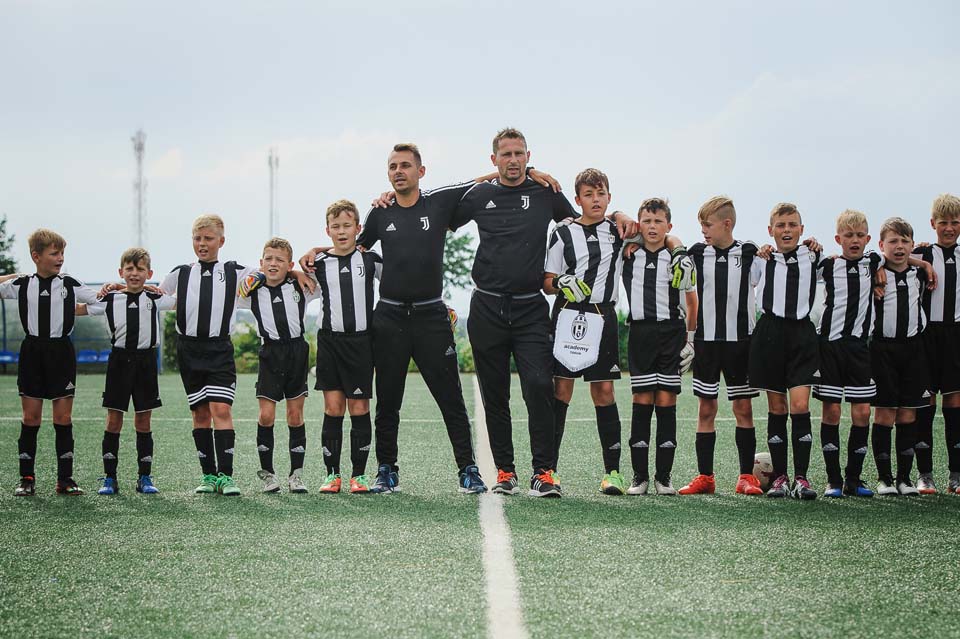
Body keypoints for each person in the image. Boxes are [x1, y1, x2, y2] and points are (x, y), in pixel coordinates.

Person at [301, 145, 512, 493]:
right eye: (393, 167)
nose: (398, 171)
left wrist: (530, 173)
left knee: (451, 399)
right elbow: (350, 247)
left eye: (405, 166)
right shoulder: (380, 212)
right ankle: (387, 469)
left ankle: (468, 469)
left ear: (420, 171)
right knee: (388, 401)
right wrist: (315, 251)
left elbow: (480, 181)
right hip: (389, 319)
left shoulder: (439, 202)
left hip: (431, 316)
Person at [453, 128, 641, 498]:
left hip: (530, 308)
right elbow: (443, 211)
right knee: (495, 394)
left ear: (528, 156)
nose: (513, 160)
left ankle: (544, 472)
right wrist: (490, 177)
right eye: (505, 154)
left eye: (519, 154)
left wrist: (619, 212)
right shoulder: (481, 194)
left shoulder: (545, 193)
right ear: (494, 159)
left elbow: (585, 217)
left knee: (540, 385)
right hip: (487, 306)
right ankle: (506, 471)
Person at [159, 215, 261, 496]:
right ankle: (208, 475)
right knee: (200, 413)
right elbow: (154, 294)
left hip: (219, 349)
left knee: (221, 410)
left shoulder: (233, 270)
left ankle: (226, 476)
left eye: (208, 238)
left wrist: (292, 274)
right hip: (189, 350)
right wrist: (118, 288)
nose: (202, 244)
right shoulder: (181, 273)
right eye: (197, 238)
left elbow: (264, 272)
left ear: (221, 241)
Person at [542, 168, 626, 495]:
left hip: (602, 316)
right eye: (588, 195)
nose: (595, 200)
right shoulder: (563, 233)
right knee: (561, 390)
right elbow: (547, 281)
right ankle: (549, 470)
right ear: (577, 200)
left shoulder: (619, 231)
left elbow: (660, 235)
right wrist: (562, 281)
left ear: (609, 197)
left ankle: (613, 473)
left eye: (601, 194)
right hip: (568, 315)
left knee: (603, 392)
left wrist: (624, 215)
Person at [0, 229, 100, 496]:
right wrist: (14, 275)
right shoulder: (22, 284)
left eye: (62, 253)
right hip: (32, 352)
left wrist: (109, 292)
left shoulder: (70, 284)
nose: (60, 258)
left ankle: (65, 479)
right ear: (36, 256)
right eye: (54, 253)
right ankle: (26, 478)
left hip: (61, 353)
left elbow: (99, 301)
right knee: (30, 417)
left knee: (63, 417)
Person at [679, 197, 764, 496]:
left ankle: (746, 477)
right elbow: (670, 246)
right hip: (707, 343)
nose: (703, 230)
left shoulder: (750, 252)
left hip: (740, 344)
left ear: (727, 224)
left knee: (743, 408)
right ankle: (706, 477)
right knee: (706, 409)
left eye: (707, 224)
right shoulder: (696, 253)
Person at [77, 248, 175, 495]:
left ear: (149, 273)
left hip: (146, 363)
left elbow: (182, 302)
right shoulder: (109, 299)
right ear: (121, 272)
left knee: (143, 420)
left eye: (140, 269)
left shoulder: (154, 298)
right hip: (119, 362)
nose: (134, 273)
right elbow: (79, 309)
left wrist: (163, 288)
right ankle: (110, 478)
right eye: (129, 269)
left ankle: (144, 477)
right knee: (114, 419)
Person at [621, 198, 698, 496]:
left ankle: (663, 477)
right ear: (639, 224)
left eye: (658, 221)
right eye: (647, 221)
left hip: (671, 333)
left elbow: (691, 301)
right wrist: (632, 238)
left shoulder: (678, 257)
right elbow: (615, 222)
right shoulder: (628, 253)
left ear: (669, 225)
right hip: (640, 333)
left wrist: (690, 340)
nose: (652, 227)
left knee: (666, 401)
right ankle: (639, 477)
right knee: (642, 401)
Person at [748, 203, 821, 500]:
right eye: (781, 225)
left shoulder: (813, 256)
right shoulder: (762, 259)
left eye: (792, 225)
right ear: (771, 230)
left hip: (802, 334)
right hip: (770, 334)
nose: (787, 230)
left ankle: (801, 477)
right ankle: (780, 478)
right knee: (777, 408)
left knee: (800, 405)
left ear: (802, 230)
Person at [309, 202, 383, 493]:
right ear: (327, 230)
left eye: (347, 226)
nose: (341, 231)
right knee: (333, 408)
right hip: (330, 342)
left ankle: (359, 475)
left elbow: (400, 280)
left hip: (362, 343)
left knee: (359, 407)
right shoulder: (318, 264)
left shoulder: (370, 260)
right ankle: (332, 475)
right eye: (336, 226)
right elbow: (297, 280)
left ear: (358, 229)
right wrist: (299, 268)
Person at [236, 237, 320, 494]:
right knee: (266, 415)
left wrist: (300, 271)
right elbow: (228, 290)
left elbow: (327, 277)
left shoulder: (300, 285)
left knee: (295, 415)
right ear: (261, 263)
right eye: (269, 259)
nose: (273, 264)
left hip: (296, 351)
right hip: (270, 353)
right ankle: (268, 474)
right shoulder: (252, 290)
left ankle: (296, 475)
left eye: (280, 260)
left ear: (290, 265)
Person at [811, 211, 883, 498]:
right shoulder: (828, 265)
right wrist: (812, 244)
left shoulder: (873, 261)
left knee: (863, 412)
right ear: (838, 239)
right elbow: (802, 265)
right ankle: (833, 480)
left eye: (860, 235)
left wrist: (922, 263)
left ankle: (854, 478)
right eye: (848, 235)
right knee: (831, 411)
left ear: (868, 238)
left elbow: (900, 255)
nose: (855, 240)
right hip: (830, 347)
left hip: (859, 348)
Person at [871, 217, 931, 496]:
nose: (899, 246)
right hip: (882, 350)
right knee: (885, 413)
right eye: (893, 241)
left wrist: (923, 263)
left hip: (913, 350)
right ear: (881, 245)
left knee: (908, 413)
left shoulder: (919, 273)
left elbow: (921, 261)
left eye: (905, 241)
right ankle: (884, 479)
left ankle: (904, 479)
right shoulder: (874, 272)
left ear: (912, 245)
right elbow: (864, 257)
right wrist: (876, 267)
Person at [913, 193, 960, 495]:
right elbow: (888, 255)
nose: (949, 228)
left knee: (954, 404)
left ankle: (956, 474)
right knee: (925, 404)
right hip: (926, 336)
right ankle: (925, 474)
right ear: (933, 224)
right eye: (943, 222)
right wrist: (920, 261)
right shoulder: (923, 253)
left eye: (955, 222)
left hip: (956, 336)